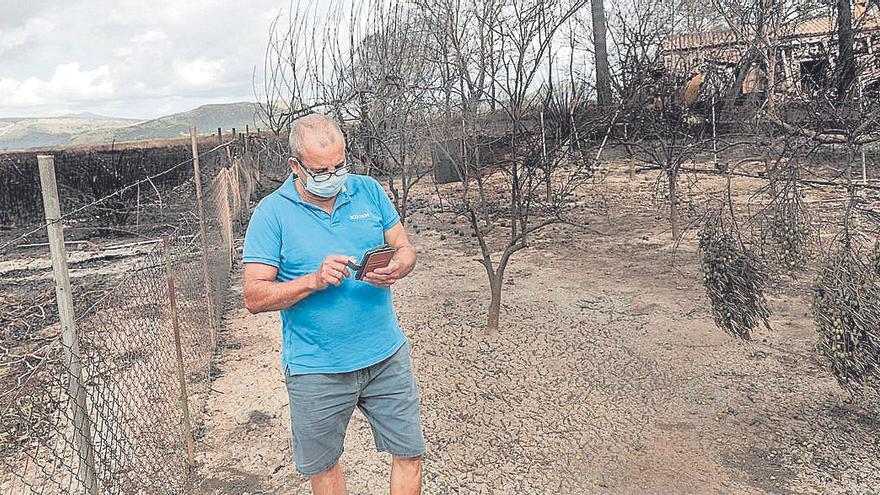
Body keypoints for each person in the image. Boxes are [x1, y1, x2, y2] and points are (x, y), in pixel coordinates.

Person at [241, 113, 425, 495]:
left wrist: (397, 267)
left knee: (409, 453)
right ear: (295, 166)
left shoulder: (369, 191)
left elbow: (405, 248)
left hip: (386, 355)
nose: (334, 175)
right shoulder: (271, 214)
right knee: (324, 467)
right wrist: (313, 280)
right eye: (321, 170)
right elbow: (254, 296)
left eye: (339, 165)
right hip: (316, 368)